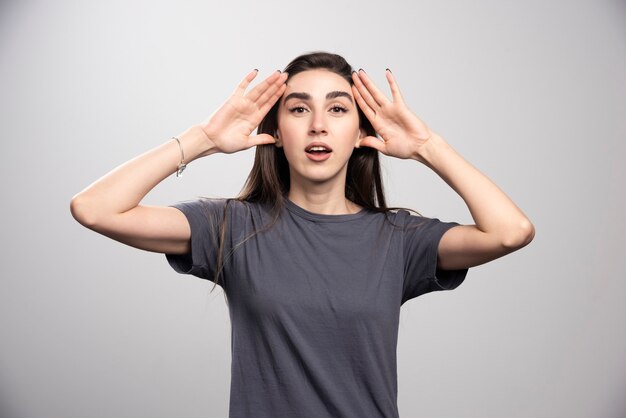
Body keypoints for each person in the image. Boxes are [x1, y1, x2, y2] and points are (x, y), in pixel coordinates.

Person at [70, 51, 535, 418]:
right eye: (298, 109)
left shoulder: (399, 239)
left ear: (360, 133)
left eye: (337, 108)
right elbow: (94, 208)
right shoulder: (232, 227)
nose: (318, 124)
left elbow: (511, 231)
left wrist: (429, 147)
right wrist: (204, 139)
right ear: (276, 131)